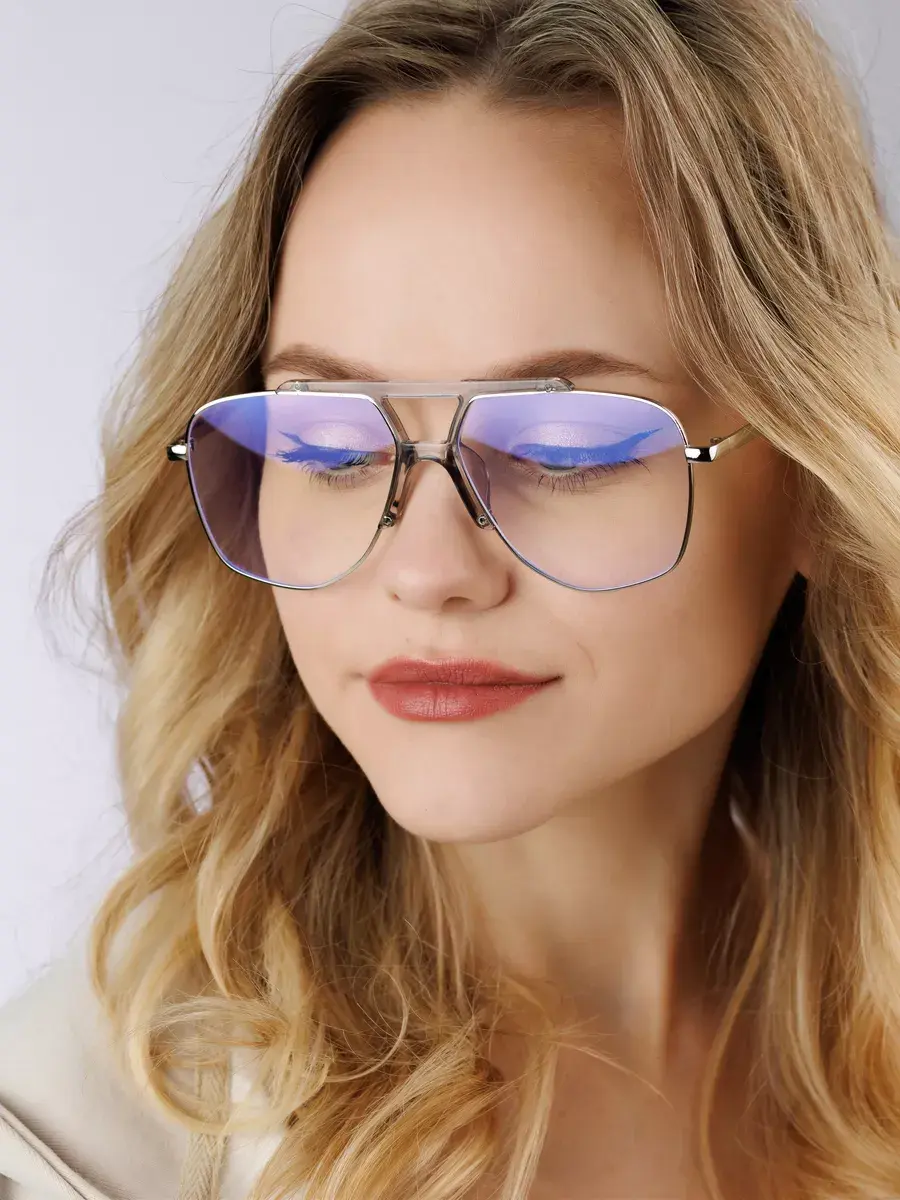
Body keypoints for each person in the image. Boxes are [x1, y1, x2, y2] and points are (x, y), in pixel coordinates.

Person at [3, 0, 900, 1196]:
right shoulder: (74, 1145)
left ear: (816, 486)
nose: (425, 570)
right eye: (328, 445)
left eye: (564, 449)